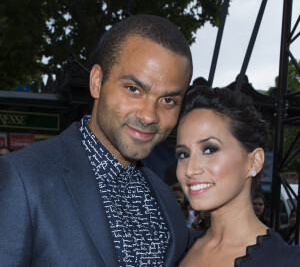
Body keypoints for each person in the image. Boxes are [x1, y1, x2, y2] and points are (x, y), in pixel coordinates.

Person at [0, 14, 193, 267]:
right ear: (97, 82)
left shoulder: (167, 202)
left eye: (168, 100)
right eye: (134, 89)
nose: (149, 115)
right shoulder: (23, 179)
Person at [175, 85, 300, 266]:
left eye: (209, 149)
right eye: (183, 154)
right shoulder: (176, 250)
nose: (190, 169)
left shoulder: (287, 261)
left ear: (255, 161)